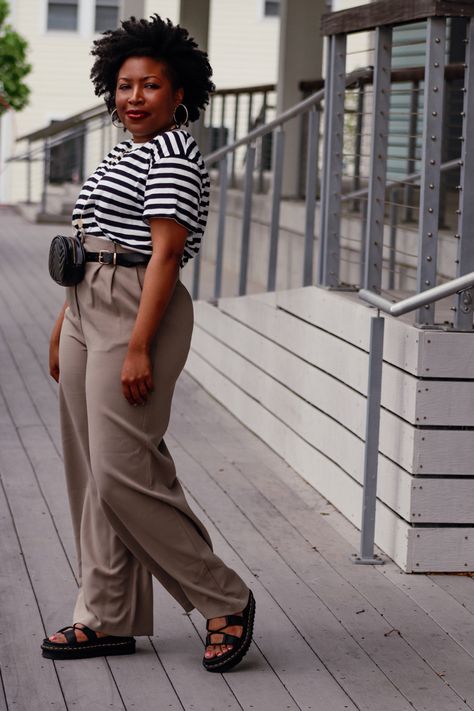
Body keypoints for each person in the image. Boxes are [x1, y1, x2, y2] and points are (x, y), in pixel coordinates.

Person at [41, 14, 255, 674]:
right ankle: (104, 613)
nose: (134, 98)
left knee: (122, 468)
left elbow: (165, 256)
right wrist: (63, 319)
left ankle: (225, 596)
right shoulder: (125, 151)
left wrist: (137, 345)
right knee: (91, 467)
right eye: (125, 85)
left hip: (138, 308)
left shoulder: (173, 155)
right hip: (88, 301)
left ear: (180, 92)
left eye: (151, 85)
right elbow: (90, 238)